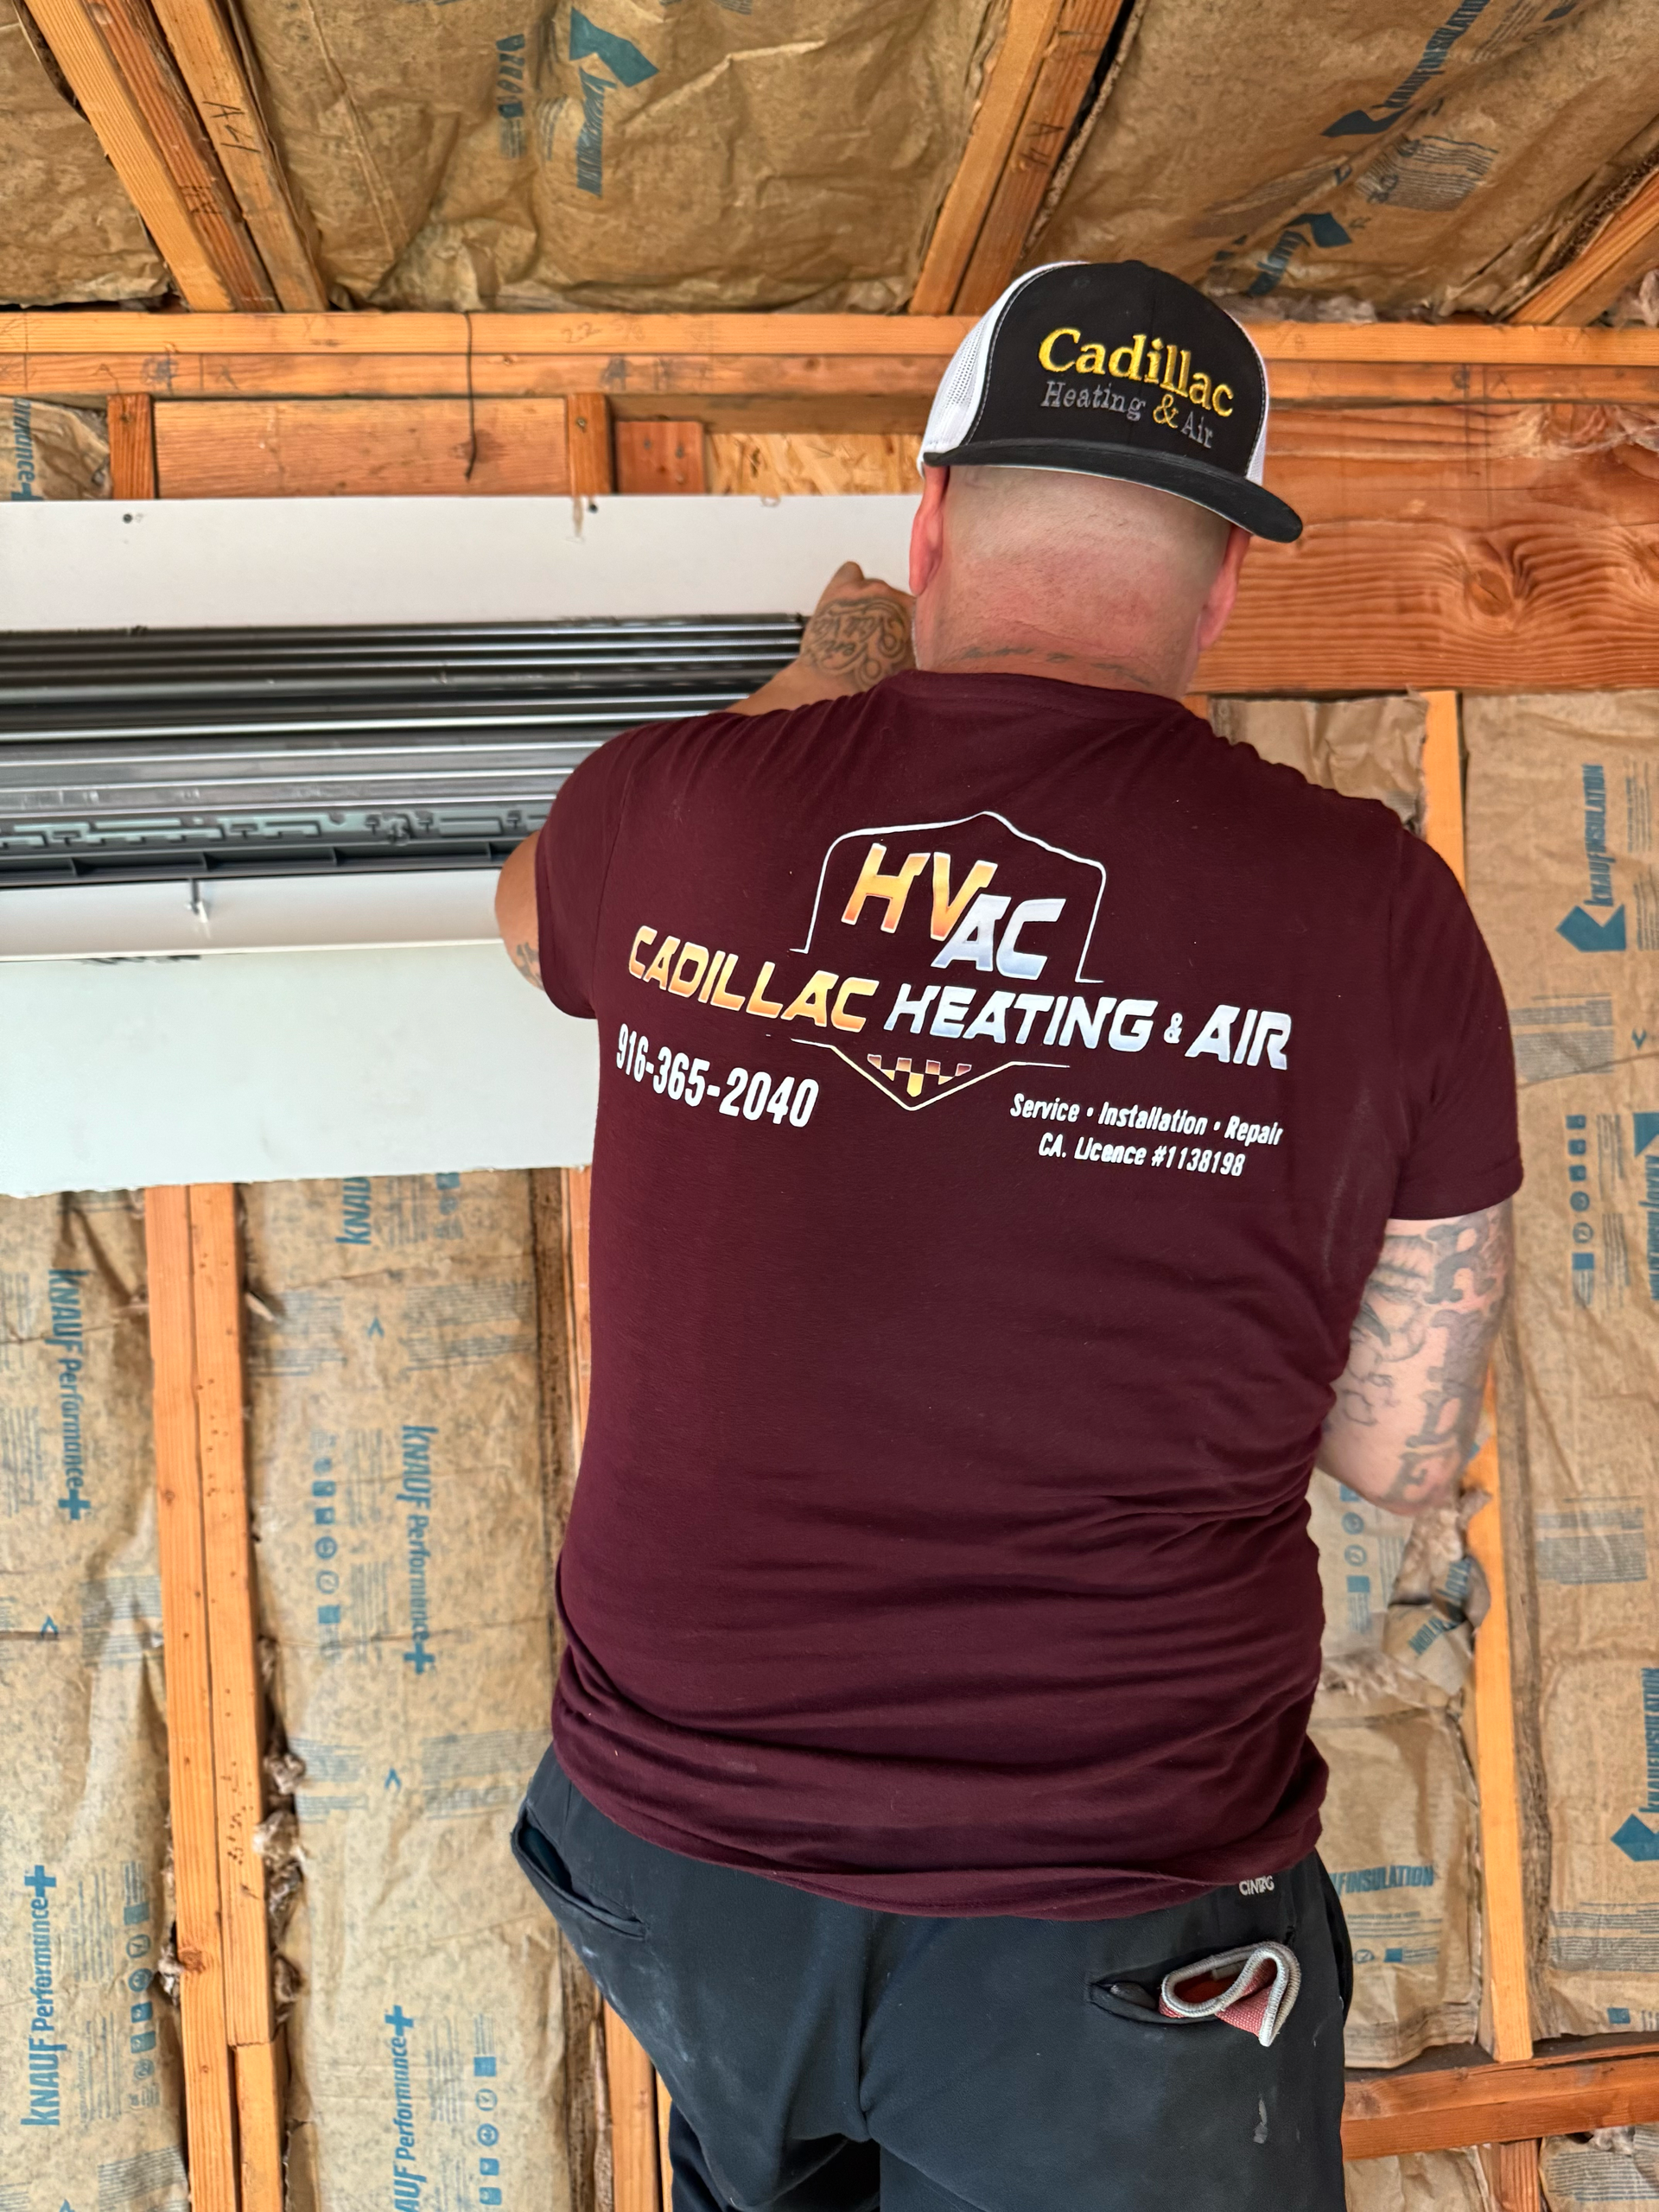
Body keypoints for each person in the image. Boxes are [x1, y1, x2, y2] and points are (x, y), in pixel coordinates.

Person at [493, 261, 1520, 2212]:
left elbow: (528, 914)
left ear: (932, 523)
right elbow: (1404, 1453)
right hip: (1102, 1926)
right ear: (1223, 589)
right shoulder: (1379, 911)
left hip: (676, 1860)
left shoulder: (683, 804)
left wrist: (813, 720)